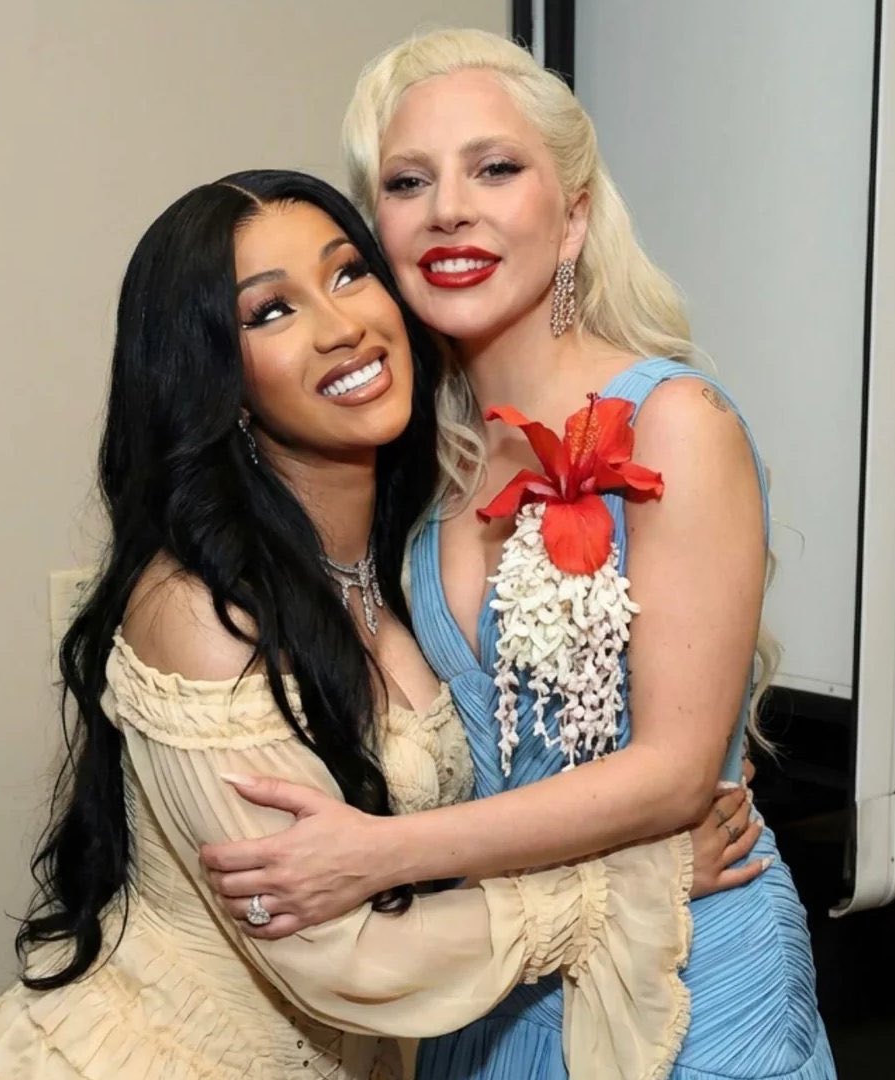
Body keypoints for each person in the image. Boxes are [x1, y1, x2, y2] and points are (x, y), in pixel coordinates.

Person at [0, 169, 761, 1080]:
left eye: (349, 274)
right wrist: (633, 880)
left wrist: (677, 744)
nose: (340, 326)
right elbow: (339, 959)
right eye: (271, 314)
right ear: (220, 381)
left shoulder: (403, 561)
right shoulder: (201, 610)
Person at [201, 30, 837, 1080]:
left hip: (687, 961)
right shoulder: (417, 462)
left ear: (574, 215)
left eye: (495, 168)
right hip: (492, 988)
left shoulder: (677, 421)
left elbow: (676, 775)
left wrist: (371, 859)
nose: (449, 207)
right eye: (409, 182)